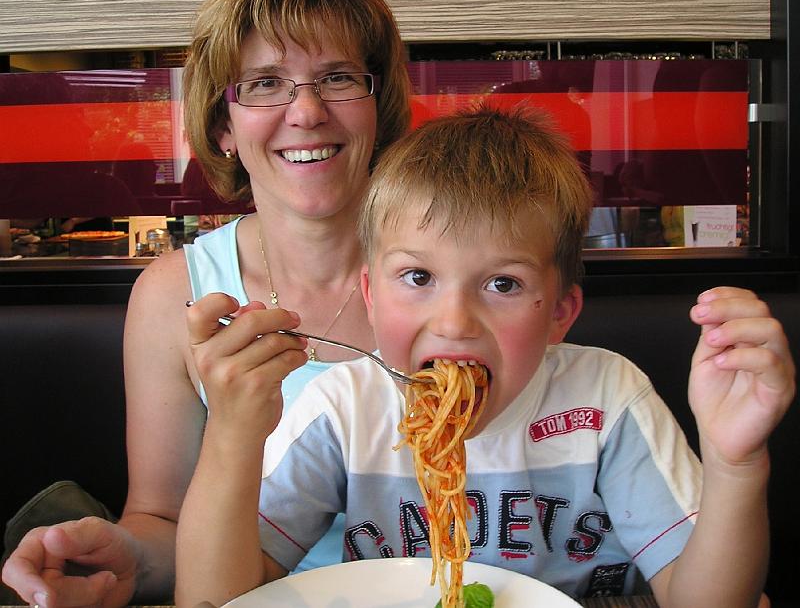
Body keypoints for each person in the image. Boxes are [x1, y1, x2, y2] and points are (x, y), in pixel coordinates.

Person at [178, 105, 794, 607]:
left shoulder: (605, 399)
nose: (453, 322)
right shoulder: (346, 407)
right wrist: (232, 434)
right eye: (417, 277)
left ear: (559, 313)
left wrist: (736, 464)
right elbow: (219, 599)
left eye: (502, 284)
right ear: (370, 293)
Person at [1, 0, 410, 606]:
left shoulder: (452, 272)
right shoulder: (175, 294)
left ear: (377, 107)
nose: (305, 111)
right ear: (224, 125)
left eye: (336, 78)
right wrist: (123, 557)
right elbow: (162, 519)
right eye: (266, 83)